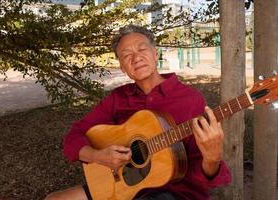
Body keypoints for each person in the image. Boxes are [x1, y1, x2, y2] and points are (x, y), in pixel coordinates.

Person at [45, 24, 231, 200]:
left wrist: (212, 158)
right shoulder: (118, 98)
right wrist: (97, 156)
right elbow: (74, 137)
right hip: (121, 186)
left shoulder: (190, 99)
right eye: (126, 55)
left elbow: (203, 175)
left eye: (142, 49)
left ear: (155, 53)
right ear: (122, 67)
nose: (136, 58)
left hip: (175, 192)